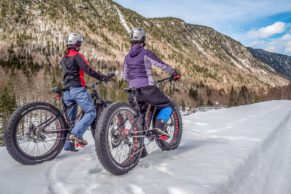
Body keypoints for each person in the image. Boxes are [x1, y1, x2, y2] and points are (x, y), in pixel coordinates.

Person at [123, 28, 181, 140]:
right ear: (143, 40)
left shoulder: (127, 57)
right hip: (146, 88)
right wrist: (174, 72)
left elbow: (125, 75)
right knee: (168, 104)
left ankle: (141, 150)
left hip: (132, 92)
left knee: (139, 120)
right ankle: (159, 126)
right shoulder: (146, 53)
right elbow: (161, 64)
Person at [60, 32, 114, 152]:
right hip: (77, 90)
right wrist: (102, 77)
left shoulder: (64, 57)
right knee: (91, 112)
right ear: (77, 43)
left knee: (72, 120)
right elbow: (88, 69)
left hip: (66, 92)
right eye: (80, 43)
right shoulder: (77, 55)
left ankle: (69, 146)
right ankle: (76, 134)